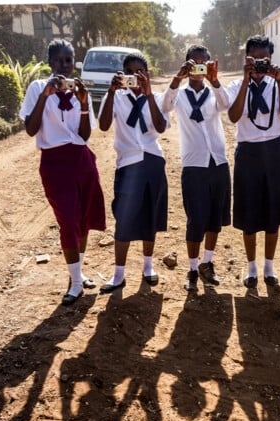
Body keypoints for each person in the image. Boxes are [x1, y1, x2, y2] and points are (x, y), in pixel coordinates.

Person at [19, 39, 106, 305]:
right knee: (68, 220)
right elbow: (31, 129)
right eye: (59, 60)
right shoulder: (37, 88)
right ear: (50, 63)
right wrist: (46, 95)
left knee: (83, 220)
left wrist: (82, 103)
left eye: (69, 60)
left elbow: (85, 134)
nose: (64, 66)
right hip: (54, 162)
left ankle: (76, 275)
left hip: (81, 159)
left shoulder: (81, 89)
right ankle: (77, 283)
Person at [226, 35, 280, 289]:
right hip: (248, 152)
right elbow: (233, 116)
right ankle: (251, 267)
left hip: (274, 150)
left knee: (273, 210)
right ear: (247, 58)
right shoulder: (236, 84)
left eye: (264, 57)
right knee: (249, 211)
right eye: (255, 57)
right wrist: (246, 80)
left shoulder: (276, 84)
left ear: (271, 59)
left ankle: (269, 267)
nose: (260, 62)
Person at [161, 45, 231, 292]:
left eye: (203, 63)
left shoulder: (214, 93)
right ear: (187, 65)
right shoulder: (179, 95)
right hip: (194, 164)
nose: (198, 68)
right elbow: (164, 106)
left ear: (209, 65)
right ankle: (191, 268)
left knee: (215, 218)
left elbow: (227, 106)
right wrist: (176, 78)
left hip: (218, 162)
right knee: (195, 219)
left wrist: (215, 81)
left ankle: (207, 263)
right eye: (194, 63)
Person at [98, 52, 169, 294]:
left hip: (152, 161)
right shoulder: (117, 97)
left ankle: (147, 267)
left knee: (150, 215)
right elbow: (104, 125)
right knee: (124, 218)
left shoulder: (156, 97)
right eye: (128, 72)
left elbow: (160, 127)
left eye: (138, 72)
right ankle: (118, 274)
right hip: (128, 163)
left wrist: (148, 95)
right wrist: (110, 92)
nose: (133, 76)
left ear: (146, 74)